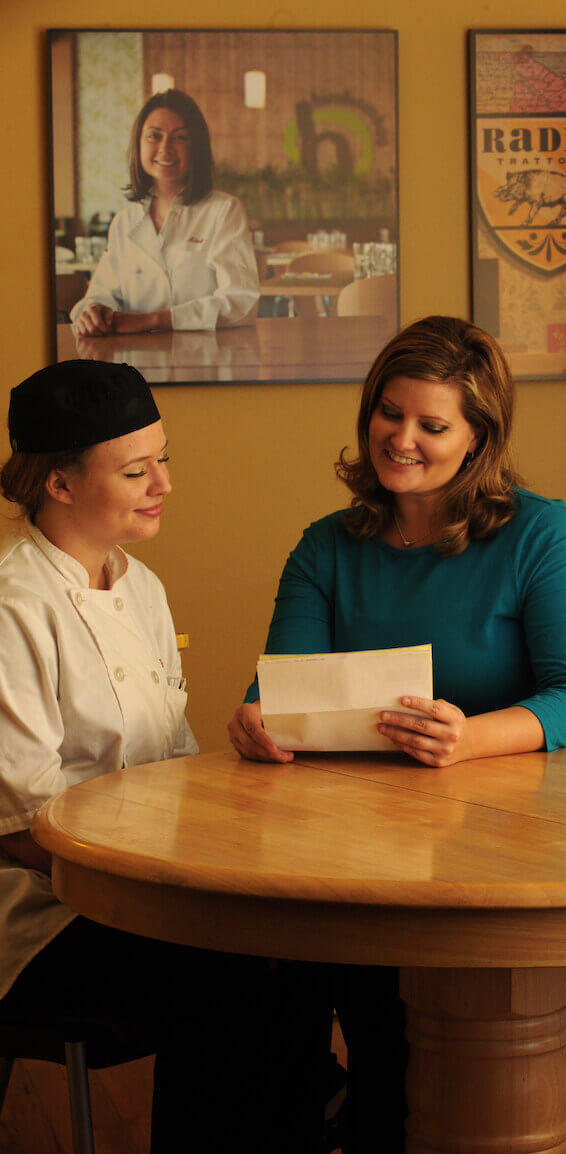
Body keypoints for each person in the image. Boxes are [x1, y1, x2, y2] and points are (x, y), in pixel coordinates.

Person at [227, 315, 566, 1152]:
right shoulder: (328, 546)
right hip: (348, 846)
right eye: (388, 413)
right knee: (258, 991)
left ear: (478, 439)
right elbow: (278, 688)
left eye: (433, 425)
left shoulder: (542, 536)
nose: (401, 439)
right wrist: (258, 719)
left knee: (387, 1029)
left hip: (506, 852)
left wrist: (468, 738)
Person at [0, 360, 328, 1153]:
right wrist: (167, 879)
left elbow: (168, 764)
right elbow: (19, 824)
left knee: (306, 948)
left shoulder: (139, 585)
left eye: (164, 459)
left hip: (141, 884)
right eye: (137, 469)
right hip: (44, 912)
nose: (165, 485)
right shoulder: (12, 604)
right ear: (62, 485)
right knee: (241, 975)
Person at [70, 89, 259, 337]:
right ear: (138, 144)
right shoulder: (124, 222)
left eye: (180, 138)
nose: (165, 148)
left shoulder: (223, 210)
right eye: (154, 136)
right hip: (133, 363)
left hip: (206, 360)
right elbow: (100, 294)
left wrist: (154, 320)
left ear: (196, 148)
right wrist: (92, 311)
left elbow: (241, 303)